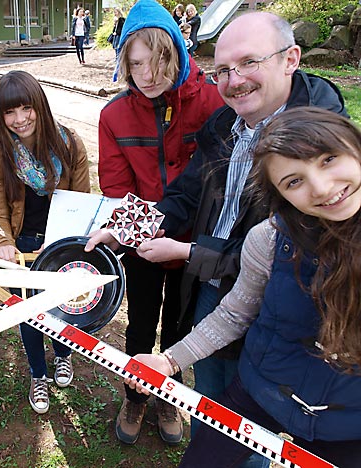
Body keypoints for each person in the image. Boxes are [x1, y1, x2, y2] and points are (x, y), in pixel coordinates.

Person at [87, 10, 347, 468]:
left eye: (248, 63)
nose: (234, 80)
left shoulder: (321, 147)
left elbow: (275, 252)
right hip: (210, 288)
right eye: (224, 69)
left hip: (275, 311)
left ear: (291, 59)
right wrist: (128, 226)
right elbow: (184, 195)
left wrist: (187, 251)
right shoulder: (224, 126)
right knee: (214, 407)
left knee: (259, 428)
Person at [126, 106, 361, 468]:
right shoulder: (268, 239)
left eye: (328, 159)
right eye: (293, 181)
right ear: (280, 195)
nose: (322, 187)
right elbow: (235, 313)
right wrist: (168, 360)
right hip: (259, 389)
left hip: (348, 425)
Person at [98, 0, 224, 447]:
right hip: (142, 241)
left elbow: (217, 177)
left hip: (196, 243)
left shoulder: (212, 101)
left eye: (157, 63)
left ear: (177, 55)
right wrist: (133, 232)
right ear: (123, 61)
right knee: (140, 322)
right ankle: (135, 392)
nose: (147, 76)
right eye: (135, 65)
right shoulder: (114, 116)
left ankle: (167, 391)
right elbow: (117, 188)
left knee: (179, 324)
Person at [0, 70, 91, 414]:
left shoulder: (70, 143)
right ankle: (37, 373)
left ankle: (63, 355)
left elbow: (82, 202)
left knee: (65, 306)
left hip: (61, 242)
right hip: (24, 243)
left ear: (39, 106)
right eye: (9, 112)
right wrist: (3, 241)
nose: (19, 120)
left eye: (25, 108)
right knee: (28, 312)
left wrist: (67, 243)